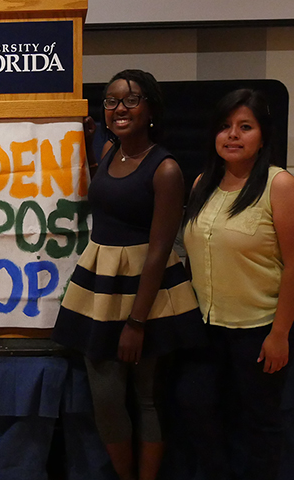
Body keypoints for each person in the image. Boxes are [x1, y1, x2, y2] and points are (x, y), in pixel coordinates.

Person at [52, 69, 205, 480]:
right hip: (101, 286)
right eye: (111, 101)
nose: (119, 108)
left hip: (146, 293)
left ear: (151, 109)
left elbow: (160, 249)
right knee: (105, 397)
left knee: (147, 398)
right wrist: (86, 133)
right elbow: (104, 173)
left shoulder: (166, 169)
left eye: (131, 100)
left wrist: (136, 323)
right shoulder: (111, 154)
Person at [179, 89, 294, 480]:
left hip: (262, 326)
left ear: (263, 136)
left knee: (259, 423)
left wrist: (280, 333)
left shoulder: (279, 185)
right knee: (194, 404)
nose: (232, 135)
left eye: (244, 127)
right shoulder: (204, 181)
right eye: (225, 127)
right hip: (208, 325)